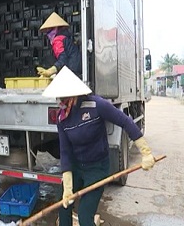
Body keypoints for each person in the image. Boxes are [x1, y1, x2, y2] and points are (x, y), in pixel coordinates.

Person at [42, 66, 155, 226]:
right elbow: (65, 151)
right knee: (63, 205)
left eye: (64, 98)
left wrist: (146, 151)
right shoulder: (62, 119)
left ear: (74, 94)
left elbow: (125, 121)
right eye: (59, 98)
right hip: (76, 167)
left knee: (85, 216)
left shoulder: (96, 105)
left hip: (97, 168)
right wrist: (67, 186)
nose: (61, 102)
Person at [36, 12, 81, 78]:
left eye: (49, 30)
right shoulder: (66, 37)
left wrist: (50, 71)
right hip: (76, 69)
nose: (48, 33)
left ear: (55, 28)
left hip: (72, 71)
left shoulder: (58, 40)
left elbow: (63, 60)